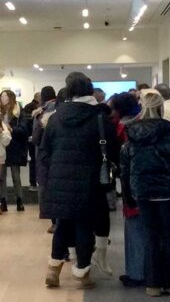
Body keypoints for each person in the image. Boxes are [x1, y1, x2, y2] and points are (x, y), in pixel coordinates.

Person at [39, 71, 118, 289]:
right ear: (90, 90)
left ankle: (53, 270)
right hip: (89, 180)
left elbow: (44, 152)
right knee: (84, 225)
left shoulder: (55, 118)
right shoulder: (100, 118)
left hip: (59, 180)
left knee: (63, 223)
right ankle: (82, 273)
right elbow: (112, 149)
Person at [120, 90, 170, 296]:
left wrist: (128, 196)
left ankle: (152, 284)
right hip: (169, 192)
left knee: (151, 237)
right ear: (161, 108)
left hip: (142, 192)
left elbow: (125, 168)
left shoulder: (131, 137)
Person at [110, 92, 147, 287]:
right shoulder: (146, 124)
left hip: (132, 185)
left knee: (134, 229)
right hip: (147, 184)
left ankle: (136, 272)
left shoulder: (124, 130)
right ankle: (140, 270)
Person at [0, 89, 30, 211]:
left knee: (15, 175)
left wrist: (12, 129)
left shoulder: (18, 112)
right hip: (2, 146)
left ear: (10, 97)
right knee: (1, 176)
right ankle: (3, 200)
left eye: (5, 96)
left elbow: (24, 130)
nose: (3, 99)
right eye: (1, 96)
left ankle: (19, 200)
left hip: (14, 146)